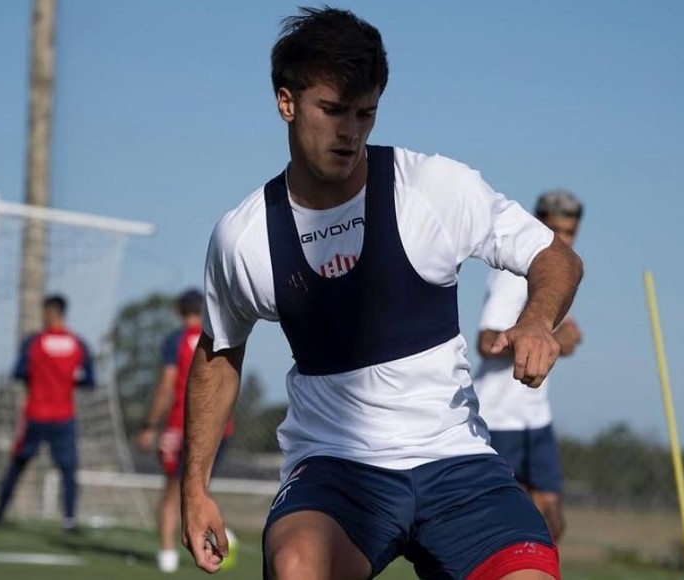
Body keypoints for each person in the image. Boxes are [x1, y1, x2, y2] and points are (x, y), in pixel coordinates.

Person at [181, 7, 583, 580]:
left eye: (365, 113)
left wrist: (539, 319)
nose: (350, 131)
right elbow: (219, 353)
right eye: (333, 110)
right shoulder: (244, 238)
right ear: (286, 102)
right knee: (298, 566)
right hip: (337, 473)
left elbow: (555, 257)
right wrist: (194, 489)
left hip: (457, 463)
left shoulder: (433, 188)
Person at [473, 190, 584, 543]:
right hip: (499, 416)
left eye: (569, 232)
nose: (562, 239)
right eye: (553, 230)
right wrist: (544, 337)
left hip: (535, 416)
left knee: (553, 522)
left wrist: (557, 338)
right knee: (502, 527)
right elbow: (486, 340)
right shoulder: (516, 273)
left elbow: (557, 336)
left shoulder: (562, 275)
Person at [135, 288, 235, 573]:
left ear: (178, 311)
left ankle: (167, 554)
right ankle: (206, 547)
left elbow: (167, 385)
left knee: (172, 491)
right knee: (201, 489)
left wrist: (149, 424)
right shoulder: (217, 337)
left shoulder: (175, 340)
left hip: (181, 426)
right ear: (202, 309)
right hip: (218, 428)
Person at [0, 294, 94, 531]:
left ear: (49, 313)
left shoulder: (34, 342)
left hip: (35, 415)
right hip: (64, 416)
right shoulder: (78, 344)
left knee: (17, 465)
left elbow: (19, 372)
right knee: (68, 471)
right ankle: (69, 521)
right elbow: (88, 379)